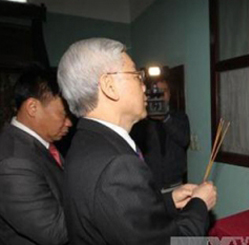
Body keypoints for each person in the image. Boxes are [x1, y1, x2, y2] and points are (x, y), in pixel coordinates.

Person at [57, 38, 217, 245]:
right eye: (136, 75)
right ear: (109, 86)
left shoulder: (85, 142)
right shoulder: (117, 165)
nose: (145, 88)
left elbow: (119, 214)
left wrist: (168, 201)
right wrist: (200, 205)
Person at [0, 67, 72, 245]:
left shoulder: (40, 143)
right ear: (32, 107)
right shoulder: (13, 162)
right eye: (63, 114)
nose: (69, 122)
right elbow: (54, 232)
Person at [131, 78, 190, 192]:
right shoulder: (142, 119)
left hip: (175, 184)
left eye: (164, 90)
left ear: (169, 94)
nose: (161, 95)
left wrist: (166, 119)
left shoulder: (179, 116)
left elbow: (184, 140)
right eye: (157, 91)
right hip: (149, 185)